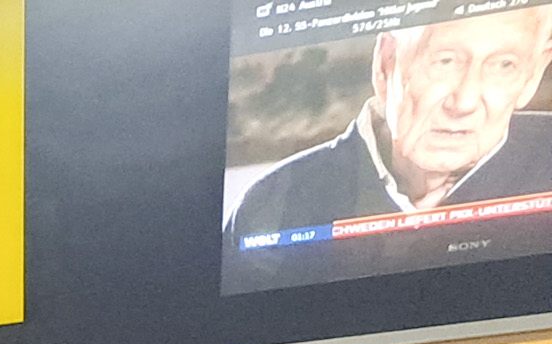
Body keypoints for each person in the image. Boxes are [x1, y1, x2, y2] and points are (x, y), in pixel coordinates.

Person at [234, 11, 552, 240]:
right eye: (445, 61)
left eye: (503, 65)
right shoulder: (274, 201)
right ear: (387, 62)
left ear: (534, 75)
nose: (464, 102)